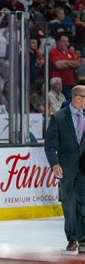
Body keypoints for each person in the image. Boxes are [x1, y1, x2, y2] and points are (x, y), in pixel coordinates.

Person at [45, 85, 85, 253]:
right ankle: (72, 237)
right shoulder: (59, 117)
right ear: (77, 98)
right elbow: (49, 146)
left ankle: (83, 239)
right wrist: (54, 164)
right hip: (66, 168)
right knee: (68, 203)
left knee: (82, 203)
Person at [49, 34, 80, 99]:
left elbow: (77, 64)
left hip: (70, 84)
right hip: (57, 85)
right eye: (64, 41)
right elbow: (58, 65)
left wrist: (64, 62)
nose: (67, 44)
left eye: (67, 41)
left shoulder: (70, 52)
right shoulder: (53, 52)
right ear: (58, 42)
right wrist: (70, 63)